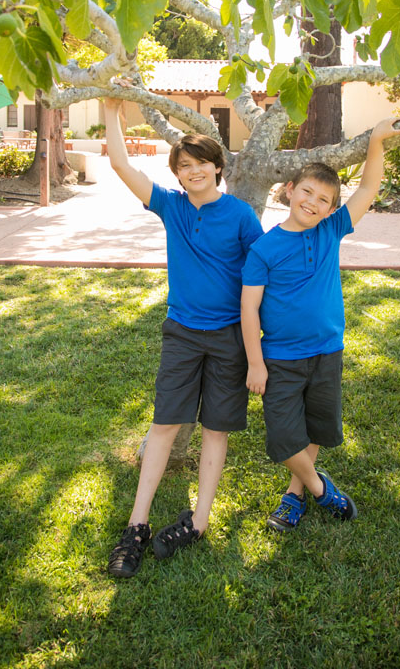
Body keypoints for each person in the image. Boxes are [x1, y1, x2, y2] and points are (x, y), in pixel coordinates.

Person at [104, 97, 264, 576]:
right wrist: (112, 110)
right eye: (184, 166)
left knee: (216, 429)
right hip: (182, 334)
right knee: (165, 424)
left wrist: (258, 350)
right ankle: (137, 525)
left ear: (218, 169)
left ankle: (198, 521)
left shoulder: (240, 216)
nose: (192, 172)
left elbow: (260, 281)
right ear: (178, 174)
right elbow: (119, 162)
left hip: (230, 338)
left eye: (201, 165)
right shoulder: (171, 207)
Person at [240, 118, 400, 531]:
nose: (313, 202)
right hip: (281, 358)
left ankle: (293, 497)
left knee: (314, 425)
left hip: (328, 351)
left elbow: (367, 189)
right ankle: (321, 489)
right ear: (290, 191)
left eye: (324, 199)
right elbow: (248, 310)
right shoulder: (264, 248)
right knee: (283, 436)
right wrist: (256, 363)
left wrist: (377, 142)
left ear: (332, 209)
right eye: (307, 192)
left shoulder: (331, 231)